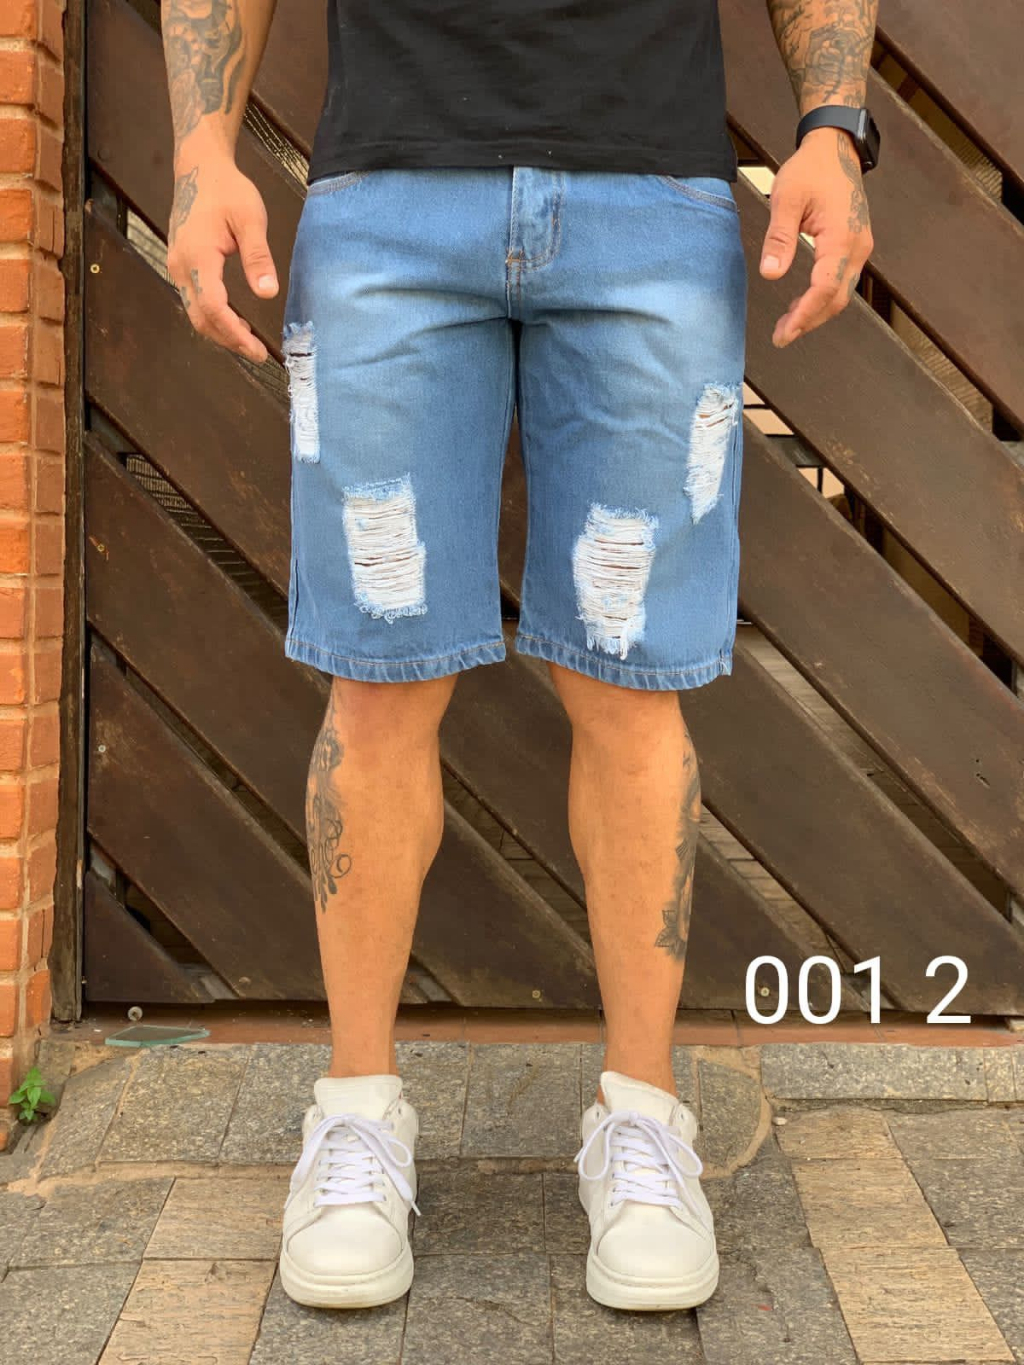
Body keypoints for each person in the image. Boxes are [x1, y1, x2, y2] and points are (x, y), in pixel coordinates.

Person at [162, 0, 877, 1313]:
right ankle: (358, 1112)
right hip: (389, 203)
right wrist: (202, 144)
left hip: (650, 205)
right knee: (378, 680)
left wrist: (833, 123)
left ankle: (643, 1115)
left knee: (633, 685)